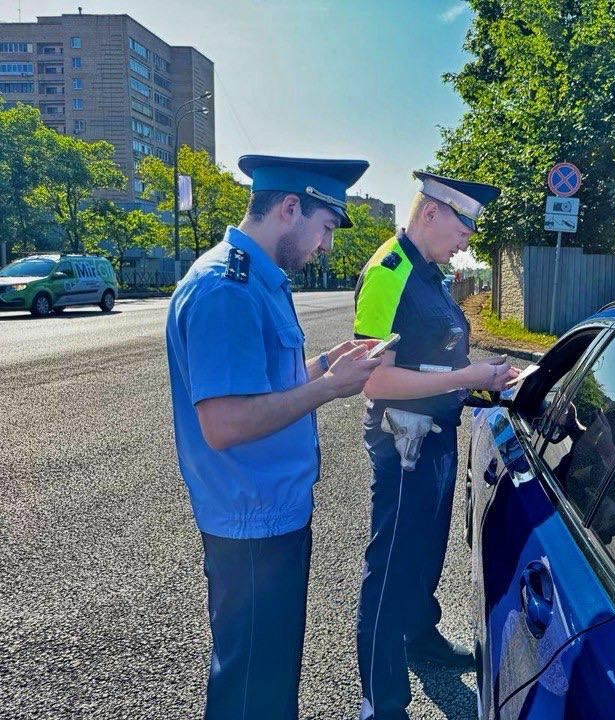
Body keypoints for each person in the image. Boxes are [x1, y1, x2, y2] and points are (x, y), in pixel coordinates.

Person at [166, 155, 383, 719]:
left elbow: (258, 384)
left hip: (271, 514)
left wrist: (318, 367)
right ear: (291, 209)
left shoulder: (256, 278)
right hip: (251, 523)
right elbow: (225, 424)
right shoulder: (227, 289)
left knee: (267, 676)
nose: (328, 246)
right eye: (327, 227)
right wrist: (331, 388)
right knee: (251, 692)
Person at [353, 171, 519, 720]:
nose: (469, 238)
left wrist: (481, 377)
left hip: (437, 435)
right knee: (391, 567)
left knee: (425, 552)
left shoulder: (431, 274)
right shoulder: (388, 273)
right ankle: (382, 703)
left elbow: (438, 358)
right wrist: (465, 376)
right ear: (431, 214)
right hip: (403, 443)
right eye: (464, 224)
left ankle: (420, 641)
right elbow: (373, 381)